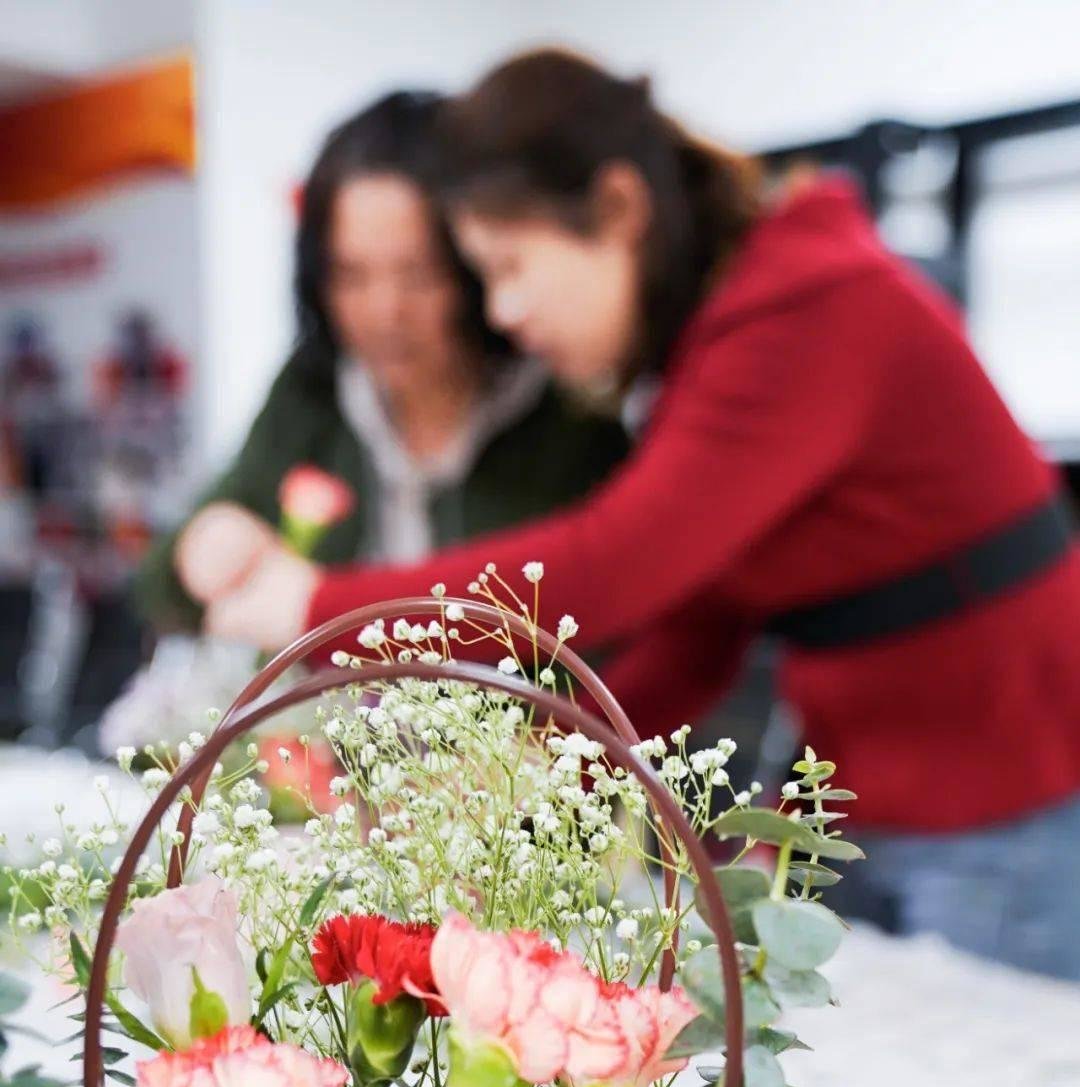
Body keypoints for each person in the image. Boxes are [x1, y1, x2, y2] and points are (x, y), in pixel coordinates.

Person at [181, 51, 1080, 980]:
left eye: (512, 265)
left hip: (1003, 797)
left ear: (617, 209)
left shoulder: (803, 311)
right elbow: (705, 619)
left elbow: (612, 564)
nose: (508, 310)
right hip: (869, 790)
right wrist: (535, 771)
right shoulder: (722, 337)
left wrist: (319, 603)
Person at [136, 88, 627, 629]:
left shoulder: (565, 414)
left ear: (473, 263)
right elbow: (159, 584)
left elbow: (604, 626)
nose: (385, 312)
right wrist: (206, 546)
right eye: (351, 276)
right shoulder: (314, 392)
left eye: (418, 275)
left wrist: (319, 607)